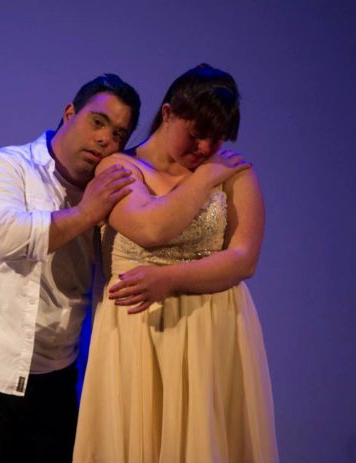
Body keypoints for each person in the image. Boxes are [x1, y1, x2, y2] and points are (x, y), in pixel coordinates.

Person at [0, 73, 244, 463]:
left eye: (119, 134)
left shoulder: (111, 185)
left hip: (53, 373)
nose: (105, 139)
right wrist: (86, 213)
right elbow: (8, 238)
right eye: (97, 122)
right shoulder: (7, 166)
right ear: (69, 113)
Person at [73, 64, 279, 463]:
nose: (204, 148)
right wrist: (204, 179)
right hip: (136, 333)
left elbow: (243, 260)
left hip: (213, 330)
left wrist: (169, 279)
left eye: (216, 139)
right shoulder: (120, 168)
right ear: (168, 113)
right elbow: (151, 228)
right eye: (196, 133)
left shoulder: (234, 173)